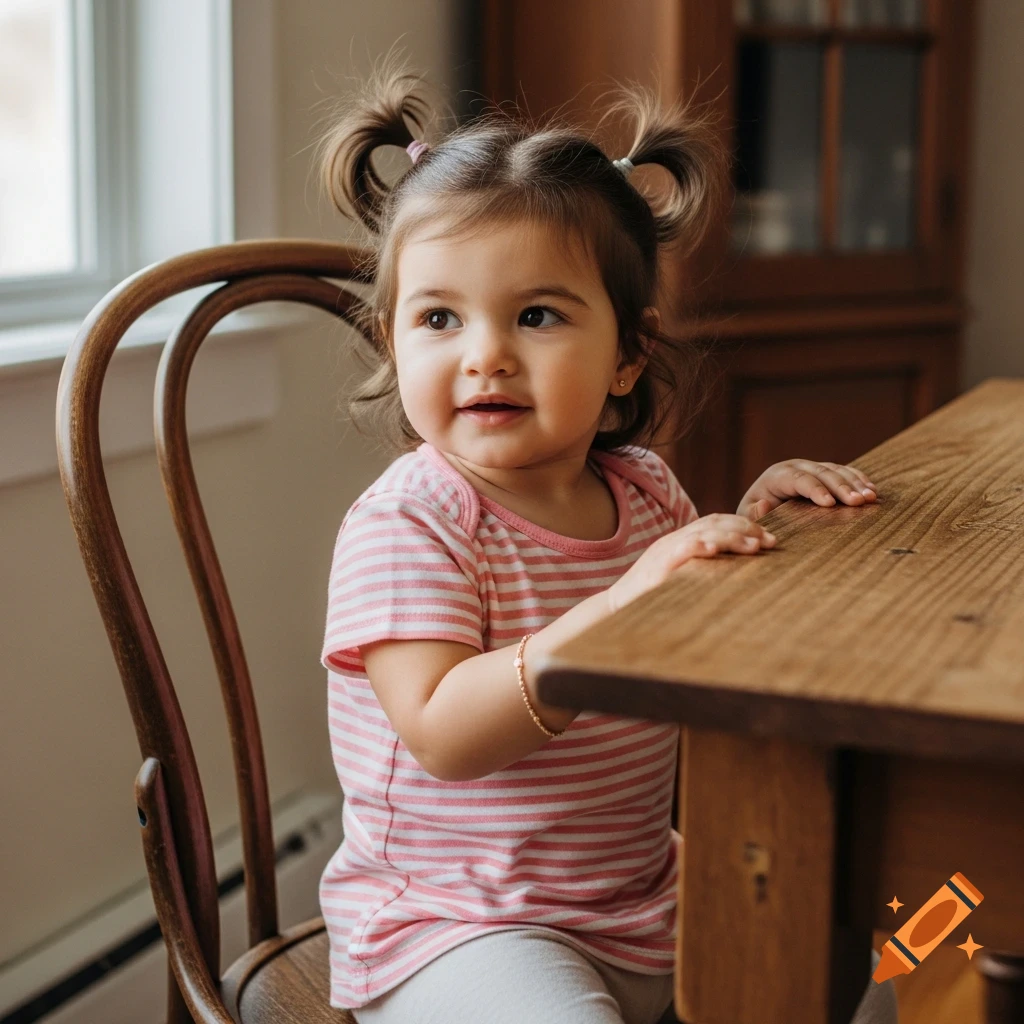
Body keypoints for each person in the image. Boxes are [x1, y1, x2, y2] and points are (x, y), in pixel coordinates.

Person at [315, 59, 897, 1024]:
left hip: (644, 900)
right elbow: (442, 736)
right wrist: (620, 606)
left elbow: (700, 631)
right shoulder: (409, 522)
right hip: (458, 929)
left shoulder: (644, 491)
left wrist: (758, 527)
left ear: (628, 352)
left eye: (536, 315)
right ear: (393, 340)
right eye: (438, 318)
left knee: (898, 939)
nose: (485, 352)